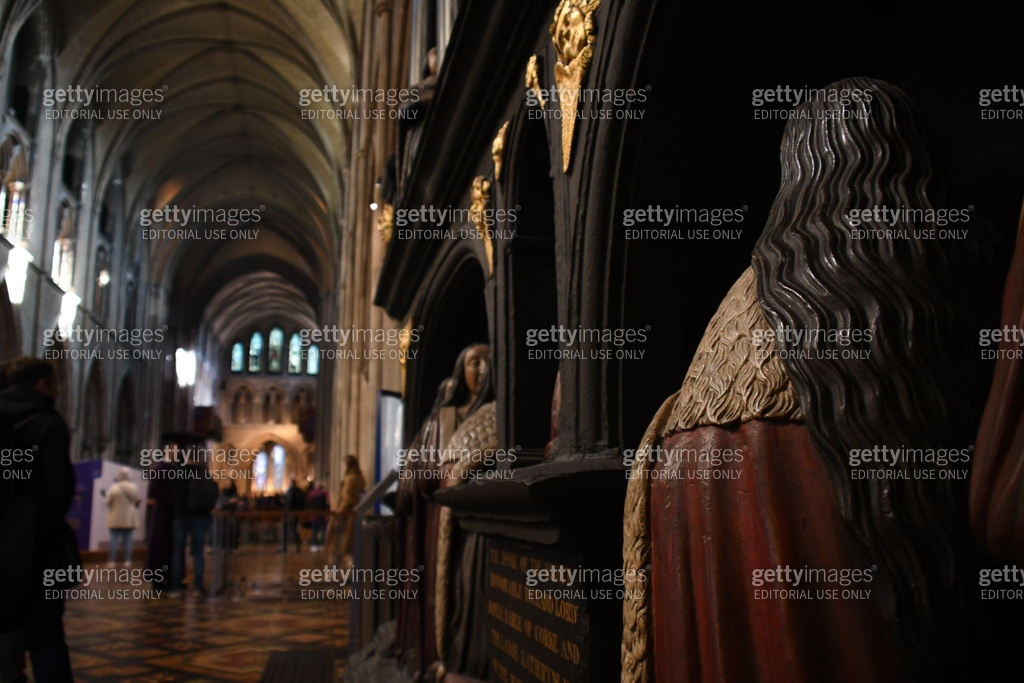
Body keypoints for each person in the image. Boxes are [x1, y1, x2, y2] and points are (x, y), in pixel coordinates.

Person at [0, 357, 76, 682]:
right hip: (37, 545)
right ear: (43, 384)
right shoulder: (46, 423)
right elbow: (60, 491)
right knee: (45, 634)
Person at [168, 446, 218, 598]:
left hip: (181, 517)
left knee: (177, 553)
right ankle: (197, 587)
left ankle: (175, 588)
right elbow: (213, 495)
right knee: (198, 553)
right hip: (201, 518)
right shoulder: (205, 474)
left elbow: (172, 496)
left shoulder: (177, 473)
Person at [326, 456, 366, 567]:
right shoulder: (360, 478)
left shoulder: (349, 479)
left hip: (345, 516)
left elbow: (347, 498)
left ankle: (334, 573)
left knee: (337, 547)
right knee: (350, 547)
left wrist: (339, 513)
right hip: (354, 514)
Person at [104, 468, 138, 566]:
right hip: (128, 518)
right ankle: (127, 561)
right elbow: (135, 500)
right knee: (127, 540)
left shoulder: (113, 488)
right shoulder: (133, 487)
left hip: (115, 517)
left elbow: (107, 502)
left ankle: (112, 561)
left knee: (114, 539)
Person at [281, 478, 305, 552]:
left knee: (286, 530)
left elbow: (289, 501)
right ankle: (297, 547)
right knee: (295, 530)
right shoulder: (299, 491)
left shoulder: (291, 491)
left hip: (290, 512)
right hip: (297, 512)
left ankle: (284, 548)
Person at [307, 482, 329, 551]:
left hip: (314, 514)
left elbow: (309, 504)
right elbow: (327, 504)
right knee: (323, 530)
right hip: (323, 514)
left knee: (314, 530)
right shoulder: (325, 494)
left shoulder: (312, 493)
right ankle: (323, 544)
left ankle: (314, 545)